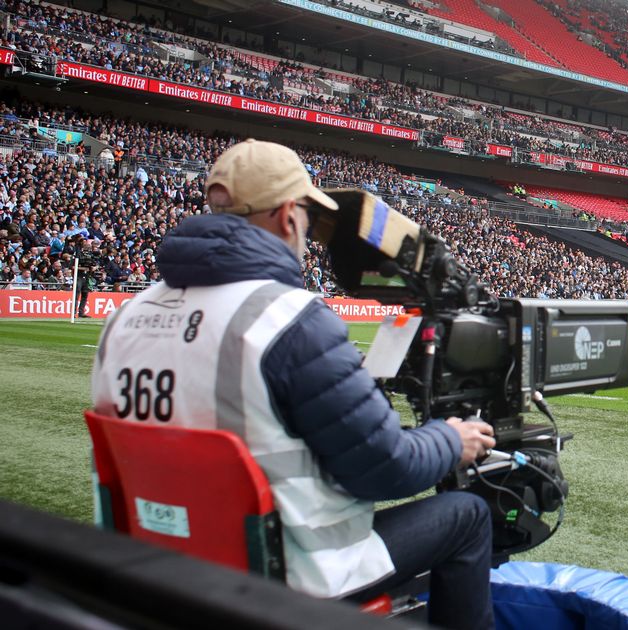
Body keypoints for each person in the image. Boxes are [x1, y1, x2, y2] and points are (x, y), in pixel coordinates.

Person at [89, 140, 496, 630]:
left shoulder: (124, 317)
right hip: (283, 572)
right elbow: (386, 469)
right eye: (307, 217)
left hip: (158, 558)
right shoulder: (289, 320)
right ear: (288, 216)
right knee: (469, 514)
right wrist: (453, 439)